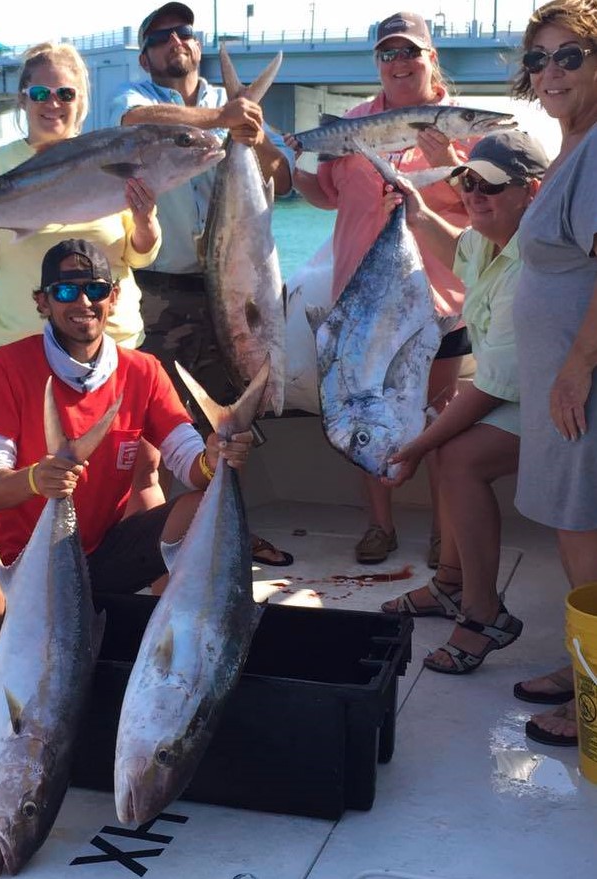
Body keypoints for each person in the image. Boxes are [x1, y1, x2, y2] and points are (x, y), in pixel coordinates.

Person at [0, 238, 255, 599]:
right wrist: (37, 479)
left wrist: (213, 459)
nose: (83, 302)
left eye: (96, 289)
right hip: (19, 565)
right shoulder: (3, 366)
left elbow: (190, 464)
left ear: (113, 298)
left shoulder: (143, 370)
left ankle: (173, 634)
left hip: (102, 555)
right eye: (66, 291)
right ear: (42, 302)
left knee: (197, 508)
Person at [109, 2, 294, 567]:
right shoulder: (135, 99)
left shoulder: (235, 109)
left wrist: (255, 136)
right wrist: (222, 122)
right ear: (146, 55)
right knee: (162, 416)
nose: (175, 42)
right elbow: (133, 124)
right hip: (162, 288)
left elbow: (282, 180)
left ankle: (232, 523)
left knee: (234, 411)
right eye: (161, 37)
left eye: (184, 33)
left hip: (236, 285)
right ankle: (172, 533)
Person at [287, 11, 473, 566]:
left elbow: (480, 210)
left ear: (431, 57)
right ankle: (379, 526)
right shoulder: (351, 125)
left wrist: (448, 162)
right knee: (359, 407)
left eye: (409, 52)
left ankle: (447, 533)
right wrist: (301, 157)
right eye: (387, 54)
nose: (398, 63)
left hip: (437, 303)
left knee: (440, 422)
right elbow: (323, 195)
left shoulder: (460, 125)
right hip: (359, 302)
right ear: (377, 63)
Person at [377, 131, 549, 674]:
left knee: (457, 457)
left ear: (532, 192)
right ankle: (451, 585)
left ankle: (483, 611)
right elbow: (459, 250)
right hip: (528, 391)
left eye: (491, 186)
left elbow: (494, 387)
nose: (475, 195)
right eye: (468, 182)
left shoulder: (534, 266)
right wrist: (418, 211)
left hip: (569, 402)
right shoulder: (487, 239)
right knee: (449, 447)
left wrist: (412, 449)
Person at [0, 41, 160, 353]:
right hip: (21, 347)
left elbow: (141, 255)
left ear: (80, 99)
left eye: (65, 93)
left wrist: (145, 220)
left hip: (114, 345)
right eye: (40, 94)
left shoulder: (113, 156)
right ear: (23, 98)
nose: (53, 103)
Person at [509, 0, 597, 747]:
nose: (551, 72)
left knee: (586, 534)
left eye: (569, 55)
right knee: (576, 535)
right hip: (562, 383)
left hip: (582, 383)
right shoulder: (568, 145)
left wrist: (575, 367)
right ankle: (582, 668)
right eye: (539, 58)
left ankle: (594, 692)